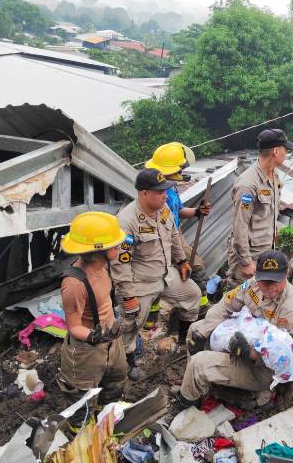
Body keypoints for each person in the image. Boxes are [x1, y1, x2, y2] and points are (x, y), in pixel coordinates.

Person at [176, 250, 293, 408]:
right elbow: (226, 304)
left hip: (262, 369)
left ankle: (187, 401)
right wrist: (202, 333)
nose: (268, 287)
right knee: (196, 328)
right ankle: (200, 384)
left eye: (274, 282)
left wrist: (250, 353)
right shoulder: (254, 284)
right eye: (264, 281)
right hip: (242, 341)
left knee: (199, 363)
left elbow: (288, 360)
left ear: (286, 274)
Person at [110, 169, 202, 369]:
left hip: (165, 275)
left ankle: (181, 340)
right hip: (139, 283)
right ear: (144, 193)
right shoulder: (126, 221)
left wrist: (182, 261)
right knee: (131, 325)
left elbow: (175, 236)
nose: (165, 196)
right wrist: (127, 296)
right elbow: (120, 264)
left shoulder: (164, 209)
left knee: (192, 294)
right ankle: (127, 363)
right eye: (160, 192)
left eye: (166, 191)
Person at [57, 212, 128, 403]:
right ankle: (81, 430)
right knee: (82, 398)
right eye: (115, 243)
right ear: (99, 250)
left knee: (115, 381)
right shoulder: (75, 284)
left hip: (110, 339)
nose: (119, 245)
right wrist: (94, 336)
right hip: (87, 349)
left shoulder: (103, 266)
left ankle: (105, 417)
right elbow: (73, 327)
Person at [146, 142, 212, 315]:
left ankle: (199, 306)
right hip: (160, 239)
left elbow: (179, 210)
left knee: (195, 266)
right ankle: (153, 316)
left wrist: (197, 211)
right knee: (160, 276)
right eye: (180, 168)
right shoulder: (154, 191)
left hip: (176, 233)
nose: (182, 172)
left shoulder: (172, 187)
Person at [225, 129, 293, 286]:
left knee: (263, 301)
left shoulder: (273, 176)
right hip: (250, 256)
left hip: (265, 252)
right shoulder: (248, 184)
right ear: (276, 151)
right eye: (285, 150)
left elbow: (269, 215)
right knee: (244, 302)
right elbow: (240, 225)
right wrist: (246, 262)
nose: (287, 154)